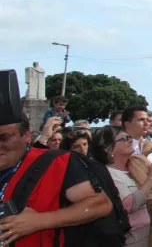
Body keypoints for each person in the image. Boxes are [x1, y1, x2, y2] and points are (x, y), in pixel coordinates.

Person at [0, 70, 113, 246]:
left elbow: (100, 204)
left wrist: (39, 221)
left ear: (26, 134)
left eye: (4, 138)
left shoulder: (55, 163)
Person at [89, 127, 152, 247]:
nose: (130, 140)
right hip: (129, 238)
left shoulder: (133, 168)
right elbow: (130, 204)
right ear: (108, 149)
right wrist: (151, 176)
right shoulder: (110, 174)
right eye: (124, 138)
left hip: (144, 234)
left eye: (129, 137)